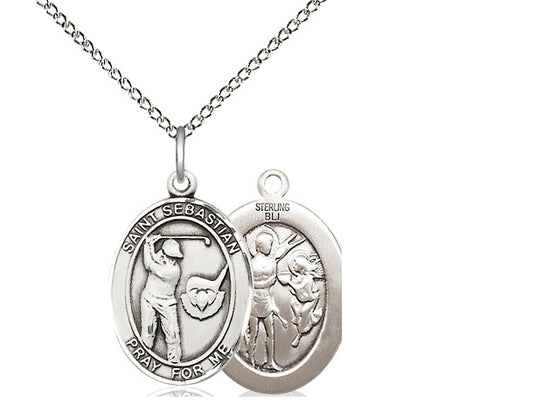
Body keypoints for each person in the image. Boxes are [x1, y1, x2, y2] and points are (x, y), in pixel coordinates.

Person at [246, 225, 304, 371]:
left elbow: (283, 249)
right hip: (254, 303)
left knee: (270, 333)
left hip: (267, 301)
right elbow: (248, 284)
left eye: (272, 244)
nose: (271, 247)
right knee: (253, 333)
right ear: (260, 246)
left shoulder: (272, 260)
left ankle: (270, 362)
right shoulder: (250, 263)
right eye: (269, 244)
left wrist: (294, 240)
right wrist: (265, 283)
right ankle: (250, 360)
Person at [140, 234, 184, 363]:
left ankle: (174, 361)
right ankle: (144, 358)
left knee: (173, 335)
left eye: (174, 257)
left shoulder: (173, 271)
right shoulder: (159, 257)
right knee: (148, 332)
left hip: (166, 304)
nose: (171, 259)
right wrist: (149, 244)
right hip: (149, 299)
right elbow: (152, 259)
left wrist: (148, 245)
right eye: (168, 255)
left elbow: (149, 265)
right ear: (163, 253)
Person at [279, 251, 324, 348]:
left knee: (304, 313)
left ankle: (299, 335)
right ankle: (298, 319)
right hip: (303, 299)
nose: (294, 265)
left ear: (301, 267)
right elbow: (294, 289)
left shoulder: (308, 279)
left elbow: (299, 288)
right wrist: (290, 284)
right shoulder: (300, 277)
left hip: (311, 299)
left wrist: (289, 282)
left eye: (296, 264)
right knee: (293, 303)